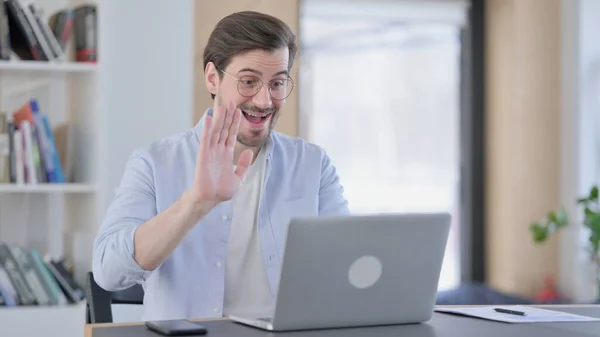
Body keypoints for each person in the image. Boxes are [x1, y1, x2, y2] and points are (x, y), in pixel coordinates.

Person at [92, 11, 350, 321]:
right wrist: (196, 202)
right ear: (213, 77)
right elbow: (107, 272)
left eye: (277, 83)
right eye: (249, 81)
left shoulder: (313, 165)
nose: (265, 101)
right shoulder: (154, 163)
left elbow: (348, 267)